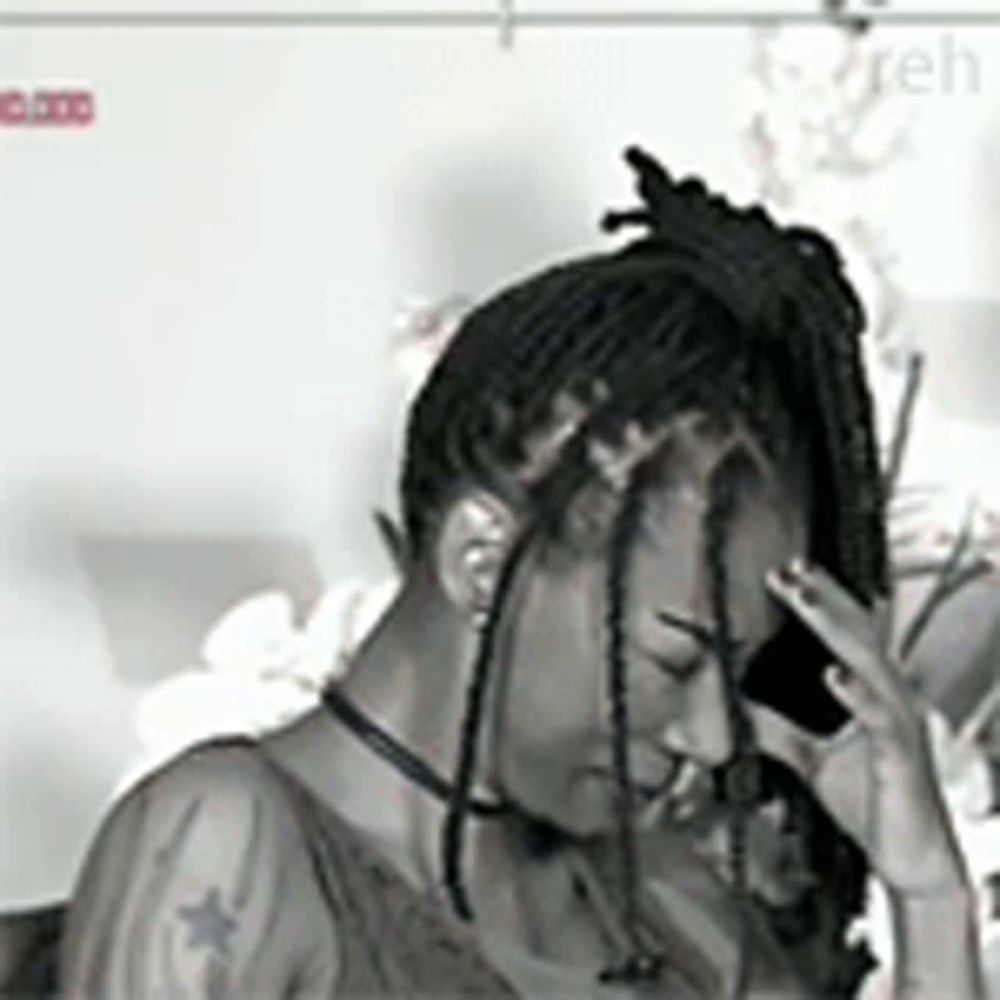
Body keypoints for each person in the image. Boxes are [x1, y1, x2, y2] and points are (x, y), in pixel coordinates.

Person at [53, 146, 984, 999]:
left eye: (735, 675)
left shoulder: (669, 901)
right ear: (482, 560)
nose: (710, 739)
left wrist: (929, 893)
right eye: (675, 659)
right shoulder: (227, 847)